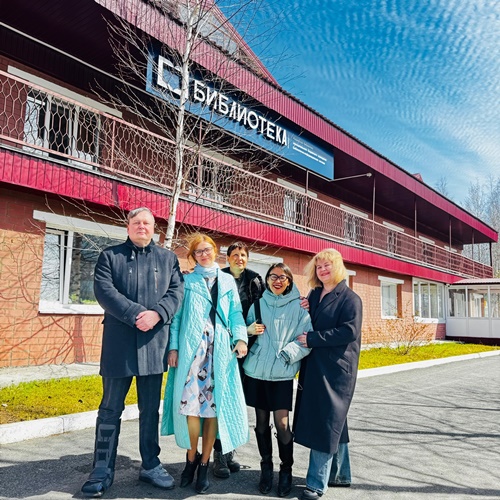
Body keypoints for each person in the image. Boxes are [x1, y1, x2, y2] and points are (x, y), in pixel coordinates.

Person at [80, 207, 184, 498]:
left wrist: (158, 314)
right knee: (110, 408)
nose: (142, 226)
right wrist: (137, 314)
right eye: (136, 222)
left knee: (150, 410)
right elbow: (104, 290)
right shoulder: (109, 256)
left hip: (153, 344)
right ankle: (102, 469)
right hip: (119, 345)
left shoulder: (168, 259)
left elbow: (176, 292)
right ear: (128, 227)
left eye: (147, 223)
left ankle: (150, 464)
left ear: (154, 228)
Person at [161, 233, 249, 494]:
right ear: (193, 256)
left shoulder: (227, 281)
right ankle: (191, 457)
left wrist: (240, 338)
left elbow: (235, 313)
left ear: (214, 250)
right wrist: (173, 347)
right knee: (191, 409)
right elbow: (177, 318)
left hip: (219, 353)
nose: (203, 254)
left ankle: (203, 464)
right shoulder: (187, 281)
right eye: (198, 251)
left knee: (213, 411)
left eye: (206, 249)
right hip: (192, 353)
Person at [294, 248, 362, 500]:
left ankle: (315, 484)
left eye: (327, 265)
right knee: (334, 419)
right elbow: (313, 321)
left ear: (338, 267)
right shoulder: (315, 294)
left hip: (336, 370)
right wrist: (305, 309)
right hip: (315, 366)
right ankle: (340, 474)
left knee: (327, 422)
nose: (322, 270)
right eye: (319, 266)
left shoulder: (350, 298)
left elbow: (349, 331)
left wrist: (312, 339)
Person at [244, 263, 312, 498]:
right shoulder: (257, 304)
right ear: (267, 280)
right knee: (261, 423)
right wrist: (249, 330)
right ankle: (266, 467)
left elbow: (305, 339)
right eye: (273, 276)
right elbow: (245, 332)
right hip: (258, 372)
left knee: (282, 425)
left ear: (289, 281)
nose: (277, 281)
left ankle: (286, 470)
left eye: (283, 277)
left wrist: (286, 355)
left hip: (282, 374)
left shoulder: (299, 307)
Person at [212, 241, 265, 478]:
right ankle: (218, 455)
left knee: (235, 401)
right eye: (235, 254)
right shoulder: (219, 278)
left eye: (243, 255)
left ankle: (229, 451)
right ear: (228, 257)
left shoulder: (255, 280)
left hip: (246, 350)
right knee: (221, 400)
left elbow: (266, 307)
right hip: (222, 346)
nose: (239, 258)